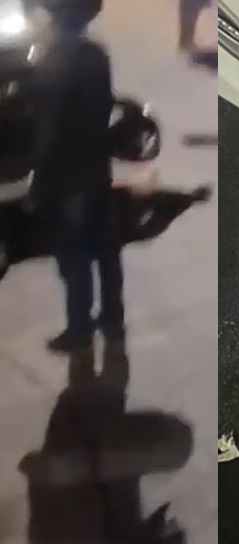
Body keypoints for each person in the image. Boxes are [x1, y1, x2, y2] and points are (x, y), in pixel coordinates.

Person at [28, 0, 122, 353]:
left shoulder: (53, 62)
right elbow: (107, 106)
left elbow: (49, 133)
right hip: (97, 168)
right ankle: (112, 320)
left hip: (68, 177)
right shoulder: (96, 55)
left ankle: (79, 330)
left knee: (76, 256)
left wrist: (39, 184)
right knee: (107, 253)